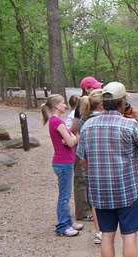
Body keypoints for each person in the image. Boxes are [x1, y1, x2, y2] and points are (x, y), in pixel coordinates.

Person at [77, 82, 138, 257]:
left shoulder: (88, 126)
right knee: (129, 235)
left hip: (100, 191)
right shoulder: (129, 125)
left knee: (107, 235)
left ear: (103, 103)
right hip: (127, 189)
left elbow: (82, 159)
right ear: (123, 103)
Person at [40, 94, 83, 237]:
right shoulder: (57, 122)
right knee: (64, 196)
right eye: (63, 103)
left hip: (64, 162)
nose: (65, 105)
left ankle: (68, 221)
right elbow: (71, 141)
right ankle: (63, 225)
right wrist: (72, 138)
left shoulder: (55, 121)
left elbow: (70, 138)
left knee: (66, 194)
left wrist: (71, 138)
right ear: (56, 105)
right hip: (63, 162)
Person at [70, 76, 103, 222]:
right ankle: (82, 211)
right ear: (87, 89)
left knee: (89, 179)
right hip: (81, 147)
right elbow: (74, 128)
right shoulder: (82, 106)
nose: (98, 89)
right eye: (95, 87)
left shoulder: (89, 105)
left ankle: (92, 209)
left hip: (89, 147)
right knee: (81, 179)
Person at [77, 89, 104, 245]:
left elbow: (82, 149)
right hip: (104, 165)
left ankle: (99, 231)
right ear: (101, 105)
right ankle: (109, 229)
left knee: (94, 201)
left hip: (90, 166)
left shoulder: (83, 121)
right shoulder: (102, 119)